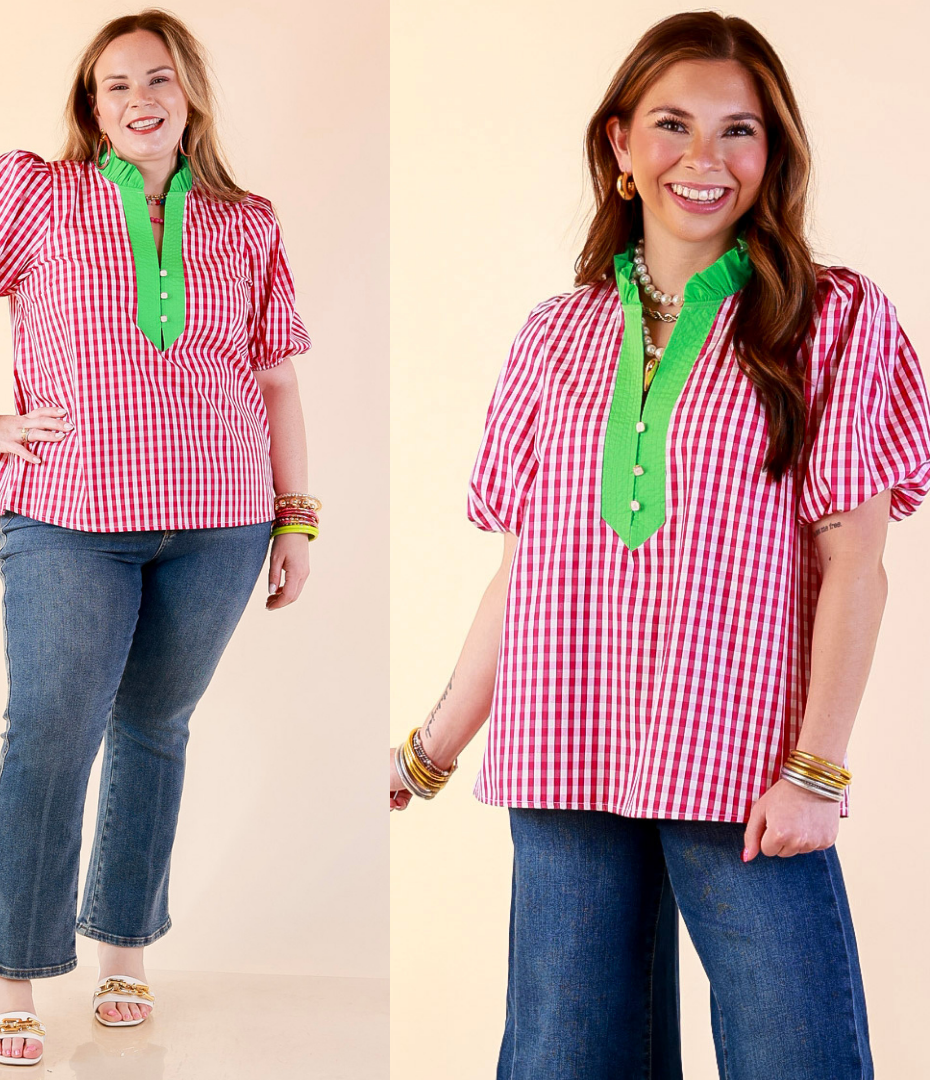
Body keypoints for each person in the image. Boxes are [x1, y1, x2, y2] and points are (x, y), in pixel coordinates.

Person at [390, 11, 930, 1078]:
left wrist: (817, 771)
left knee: (797, 1055)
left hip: (743, 763)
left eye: (741, 131)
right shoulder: (554, 333)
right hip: (563, 744)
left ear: (773, 156)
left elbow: (856, 562)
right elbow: (527, 569)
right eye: (674, 125)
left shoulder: (833, 320)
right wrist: (433, 745)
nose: (705, 158)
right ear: (621, 148)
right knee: (561, 1059)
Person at [0, 9, 318, 1068]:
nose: (137, 99)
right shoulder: (37, 191)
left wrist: (297, 517)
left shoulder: (245, 221)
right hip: (67, 517)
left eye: (157, 78)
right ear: (90, 106)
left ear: (191, 93)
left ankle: (124, 950)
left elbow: (275, 378)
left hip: (220, 519)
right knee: (48, 732)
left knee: (156, 727)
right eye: (112, 85)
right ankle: (11, 967)